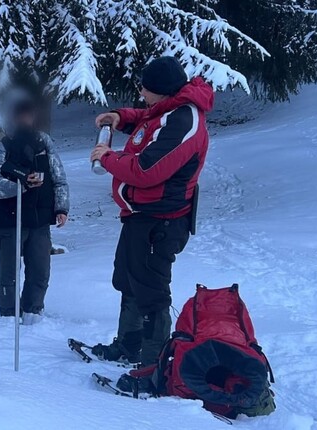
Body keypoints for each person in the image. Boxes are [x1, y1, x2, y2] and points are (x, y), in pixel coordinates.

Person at [88, 56, 213, 369]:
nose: (141, 92)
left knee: (152, 291)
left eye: (144, 88)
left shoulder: (185, 120)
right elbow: (149, 118)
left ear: (160, 90)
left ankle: (153, 364)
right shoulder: (171, 107)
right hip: (139, 215)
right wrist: (121, 117)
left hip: (162, 221)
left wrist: (107, 158)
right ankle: (129, 344)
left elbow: (146, 169)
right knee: (129, 280)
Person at [0, 93, 69, 324]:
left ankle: (33, 311)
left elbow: (59, 177)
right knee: (9, 273)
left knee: (40, 271)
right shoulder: (0, 147)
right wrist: (21, 185)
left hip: (41, 219)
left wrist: (61, 207)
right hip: (10, 220)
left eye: (28, 114)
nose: (24, 119)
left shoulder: (44, 142)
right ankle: (8, 317)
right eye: (19, 115)